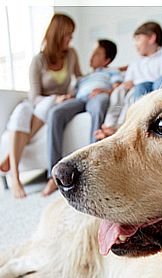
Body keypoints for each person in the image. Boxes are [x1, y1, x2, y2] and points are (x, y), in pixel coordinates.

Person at [0, 14, 82, 199]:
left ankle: (11, 156)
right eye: (67, 35)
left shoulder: (71, 55)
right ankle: (15, 178)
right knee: (21, 111)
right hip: (38, 102)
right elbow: (34, 95)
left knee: (49, 105)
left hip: (53, 105)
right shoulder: (38, 60)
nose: (70, 39)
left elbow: (80, 78)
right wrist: (56, 97)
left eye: (71, 35)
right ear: (56, 35)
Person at [42, 39, 122, 196]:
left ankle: (94, 168)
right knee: (55, 113)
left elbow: (118, 87)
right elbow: (74, 92)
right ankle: (52, 176)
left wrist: (105, 92)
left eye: (97, 53)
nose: (91, 55)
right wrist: (67, 97)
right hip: (79, 99)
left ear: (106, 60)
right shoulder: (83, 78)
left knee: (99, 105)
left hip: (98, 96)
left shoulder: (112, 72)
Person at [94, 21, 162, 141]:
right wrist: (125, 84)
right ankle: (109, 125)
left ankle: (121, 127)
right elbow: (128, 80)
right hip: (131, 88)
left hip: (145, 90)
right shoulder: (136, 63)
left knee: (132, 94)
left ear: (152, 38)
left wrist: (133, 84)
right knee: (119, 91)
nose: (135, 44)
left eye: (138, 39)